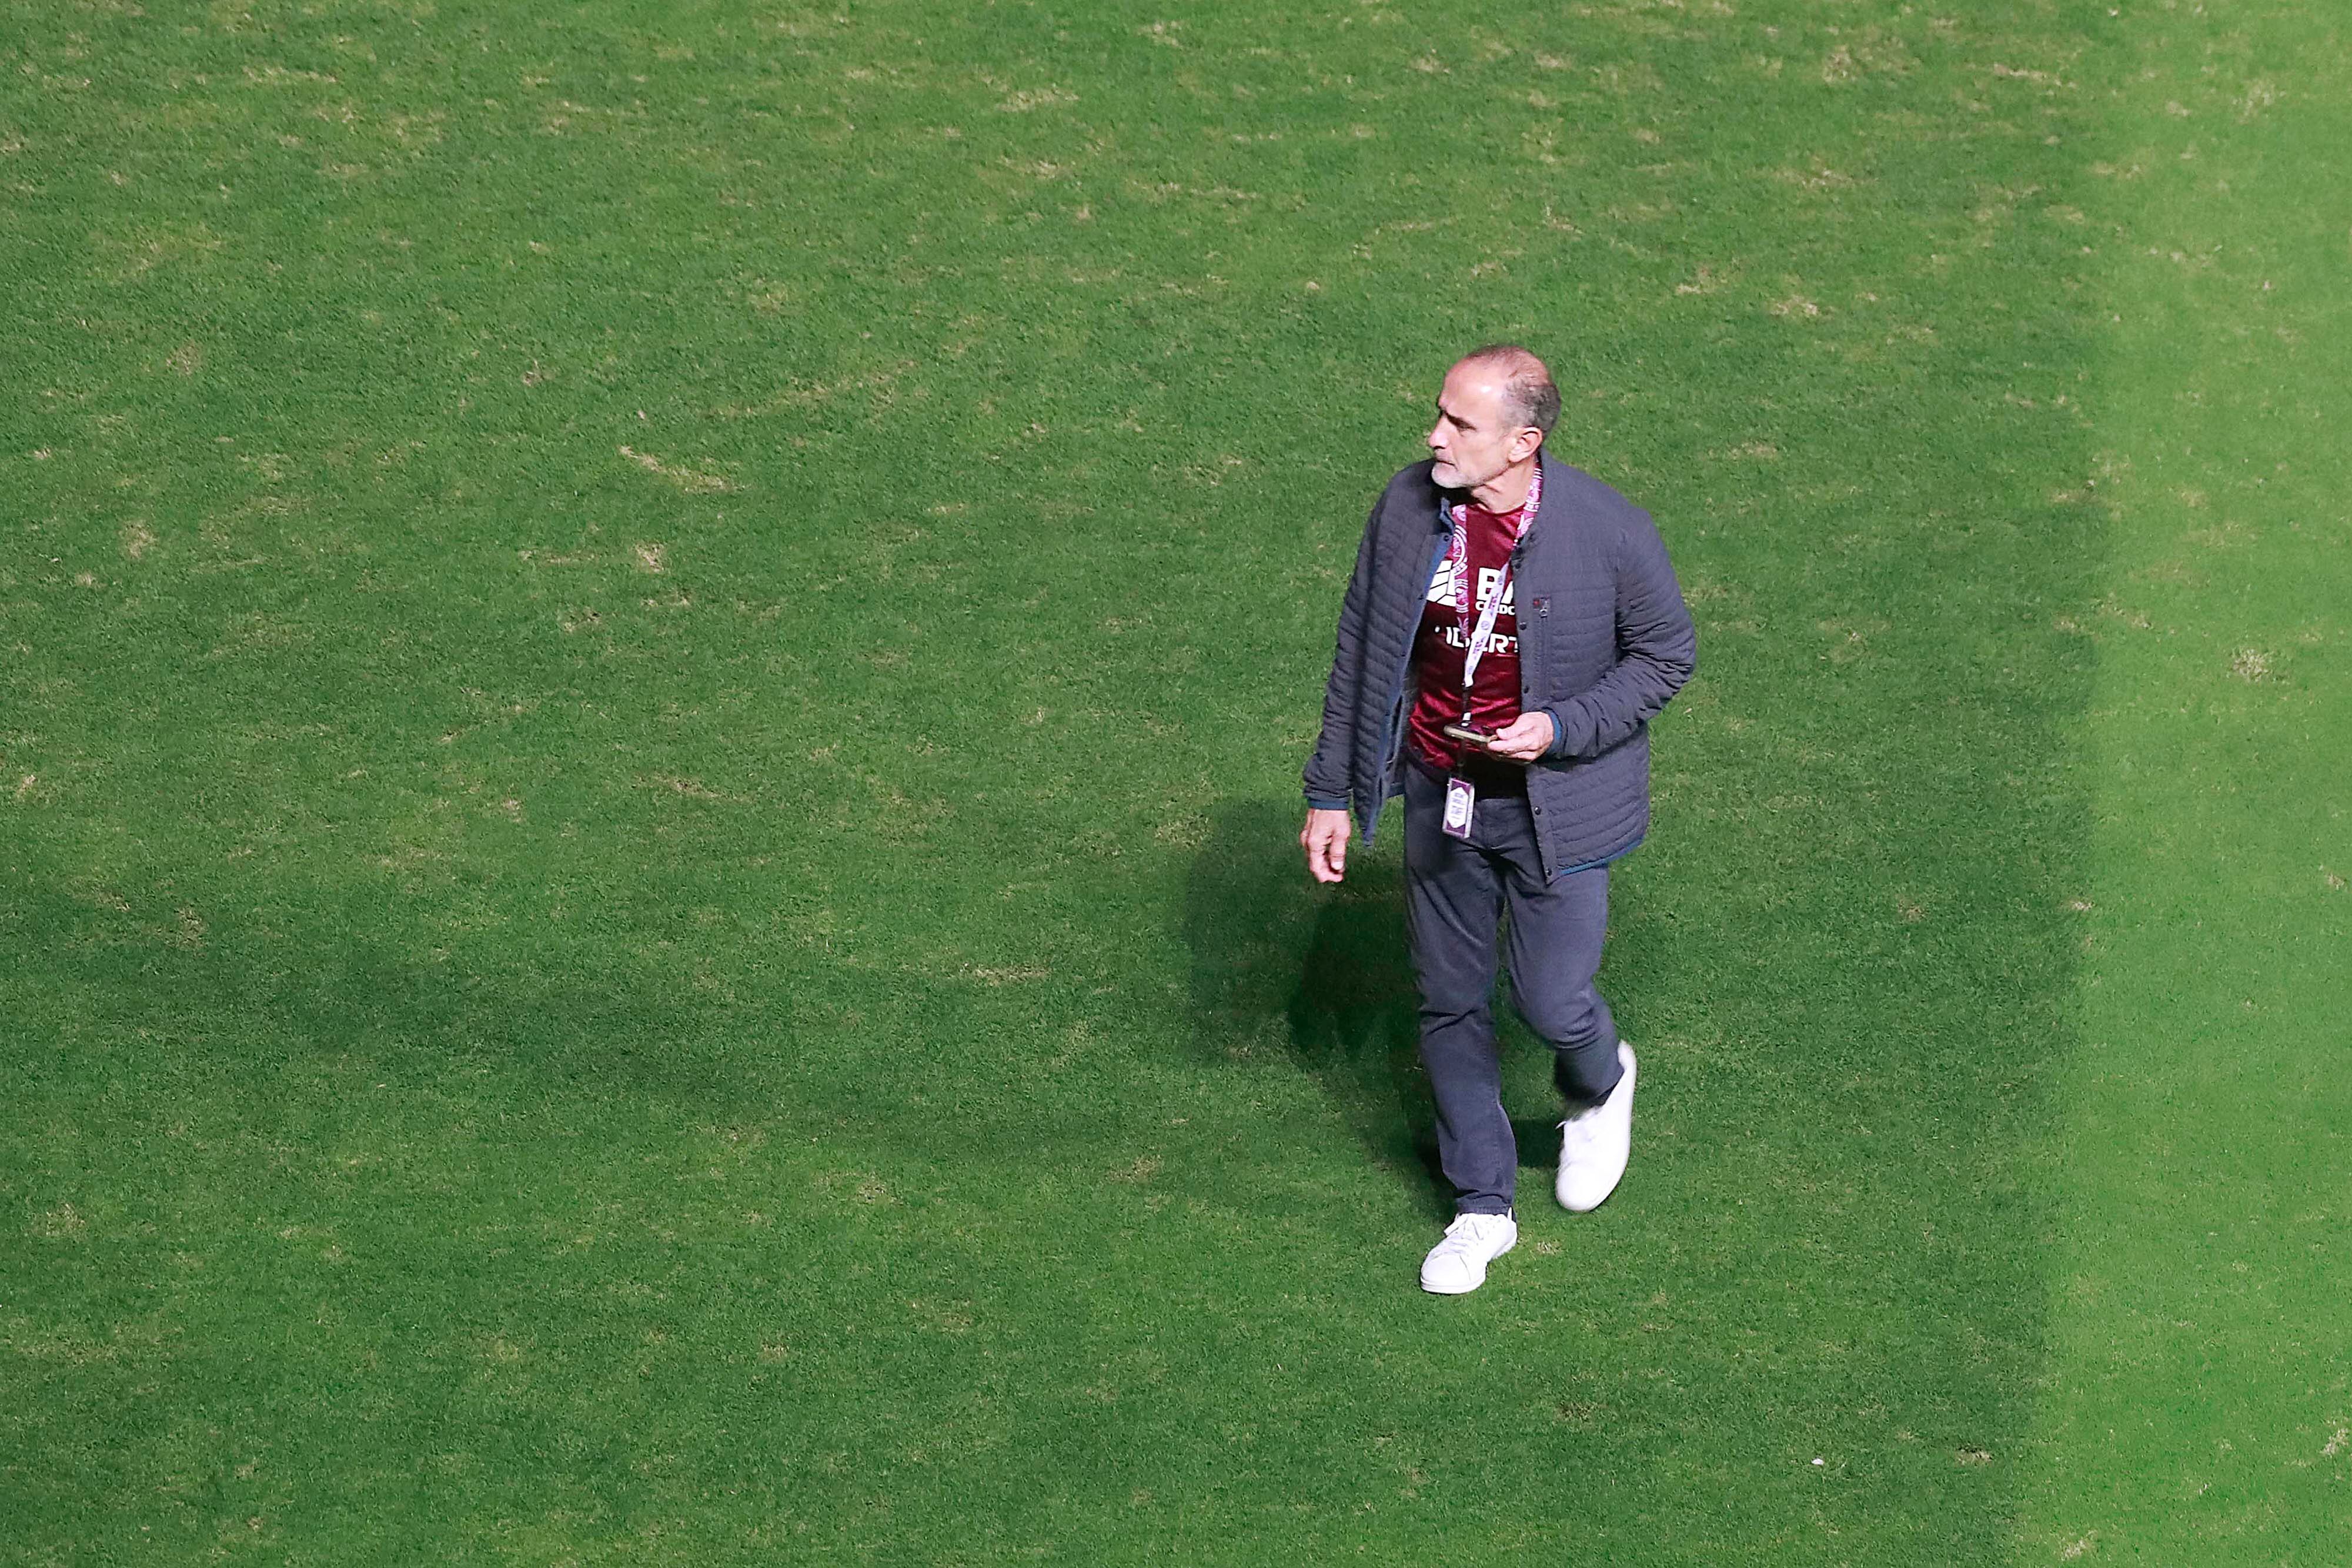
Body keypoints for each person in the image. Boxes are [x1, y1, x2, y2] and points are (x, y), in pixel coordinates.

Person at [1300, 345, 1695, 1295]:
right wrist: (1330, 790)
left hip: (1557, 805)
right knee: (1448, 1000)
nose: (1435, 437)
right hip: (1442, 788)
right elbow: (1363, 644)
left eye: (1461, 425)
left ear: (1525, 443)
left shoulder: (1607, 531)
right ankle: (1481, 1209)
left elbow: (1664, 657)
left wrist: (1561, 726)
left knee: (1551, 999)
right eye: (1439, 413)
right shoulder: (1409, 506)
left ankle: (1600, 1082)